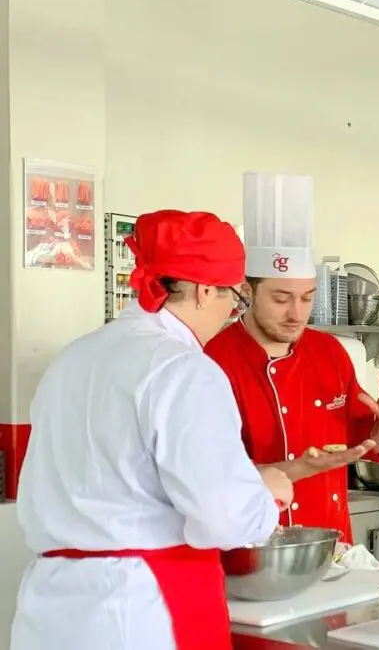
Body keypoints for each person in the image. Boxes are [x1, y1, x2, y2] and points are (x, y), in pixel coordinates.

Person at [11, 210, 294, 650]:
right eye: (232, 300)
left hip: (50, 607)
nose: (228, 315)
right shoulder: (186, 371)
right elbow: (225, 518)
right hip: (143, 608)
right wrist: (267, 494)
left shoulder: (72, 360)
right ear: (203, 291)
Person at [207, 173, 379, 542]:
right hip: (254, 545)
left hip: (332, 543)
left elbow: (366, 448)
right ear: (246, 291)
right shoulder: (213, 361)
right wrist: (294, 469)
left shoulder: (330, 352)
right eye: (280, 298)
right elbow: (206, 477)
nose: (296, 313)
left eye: (307, 297)